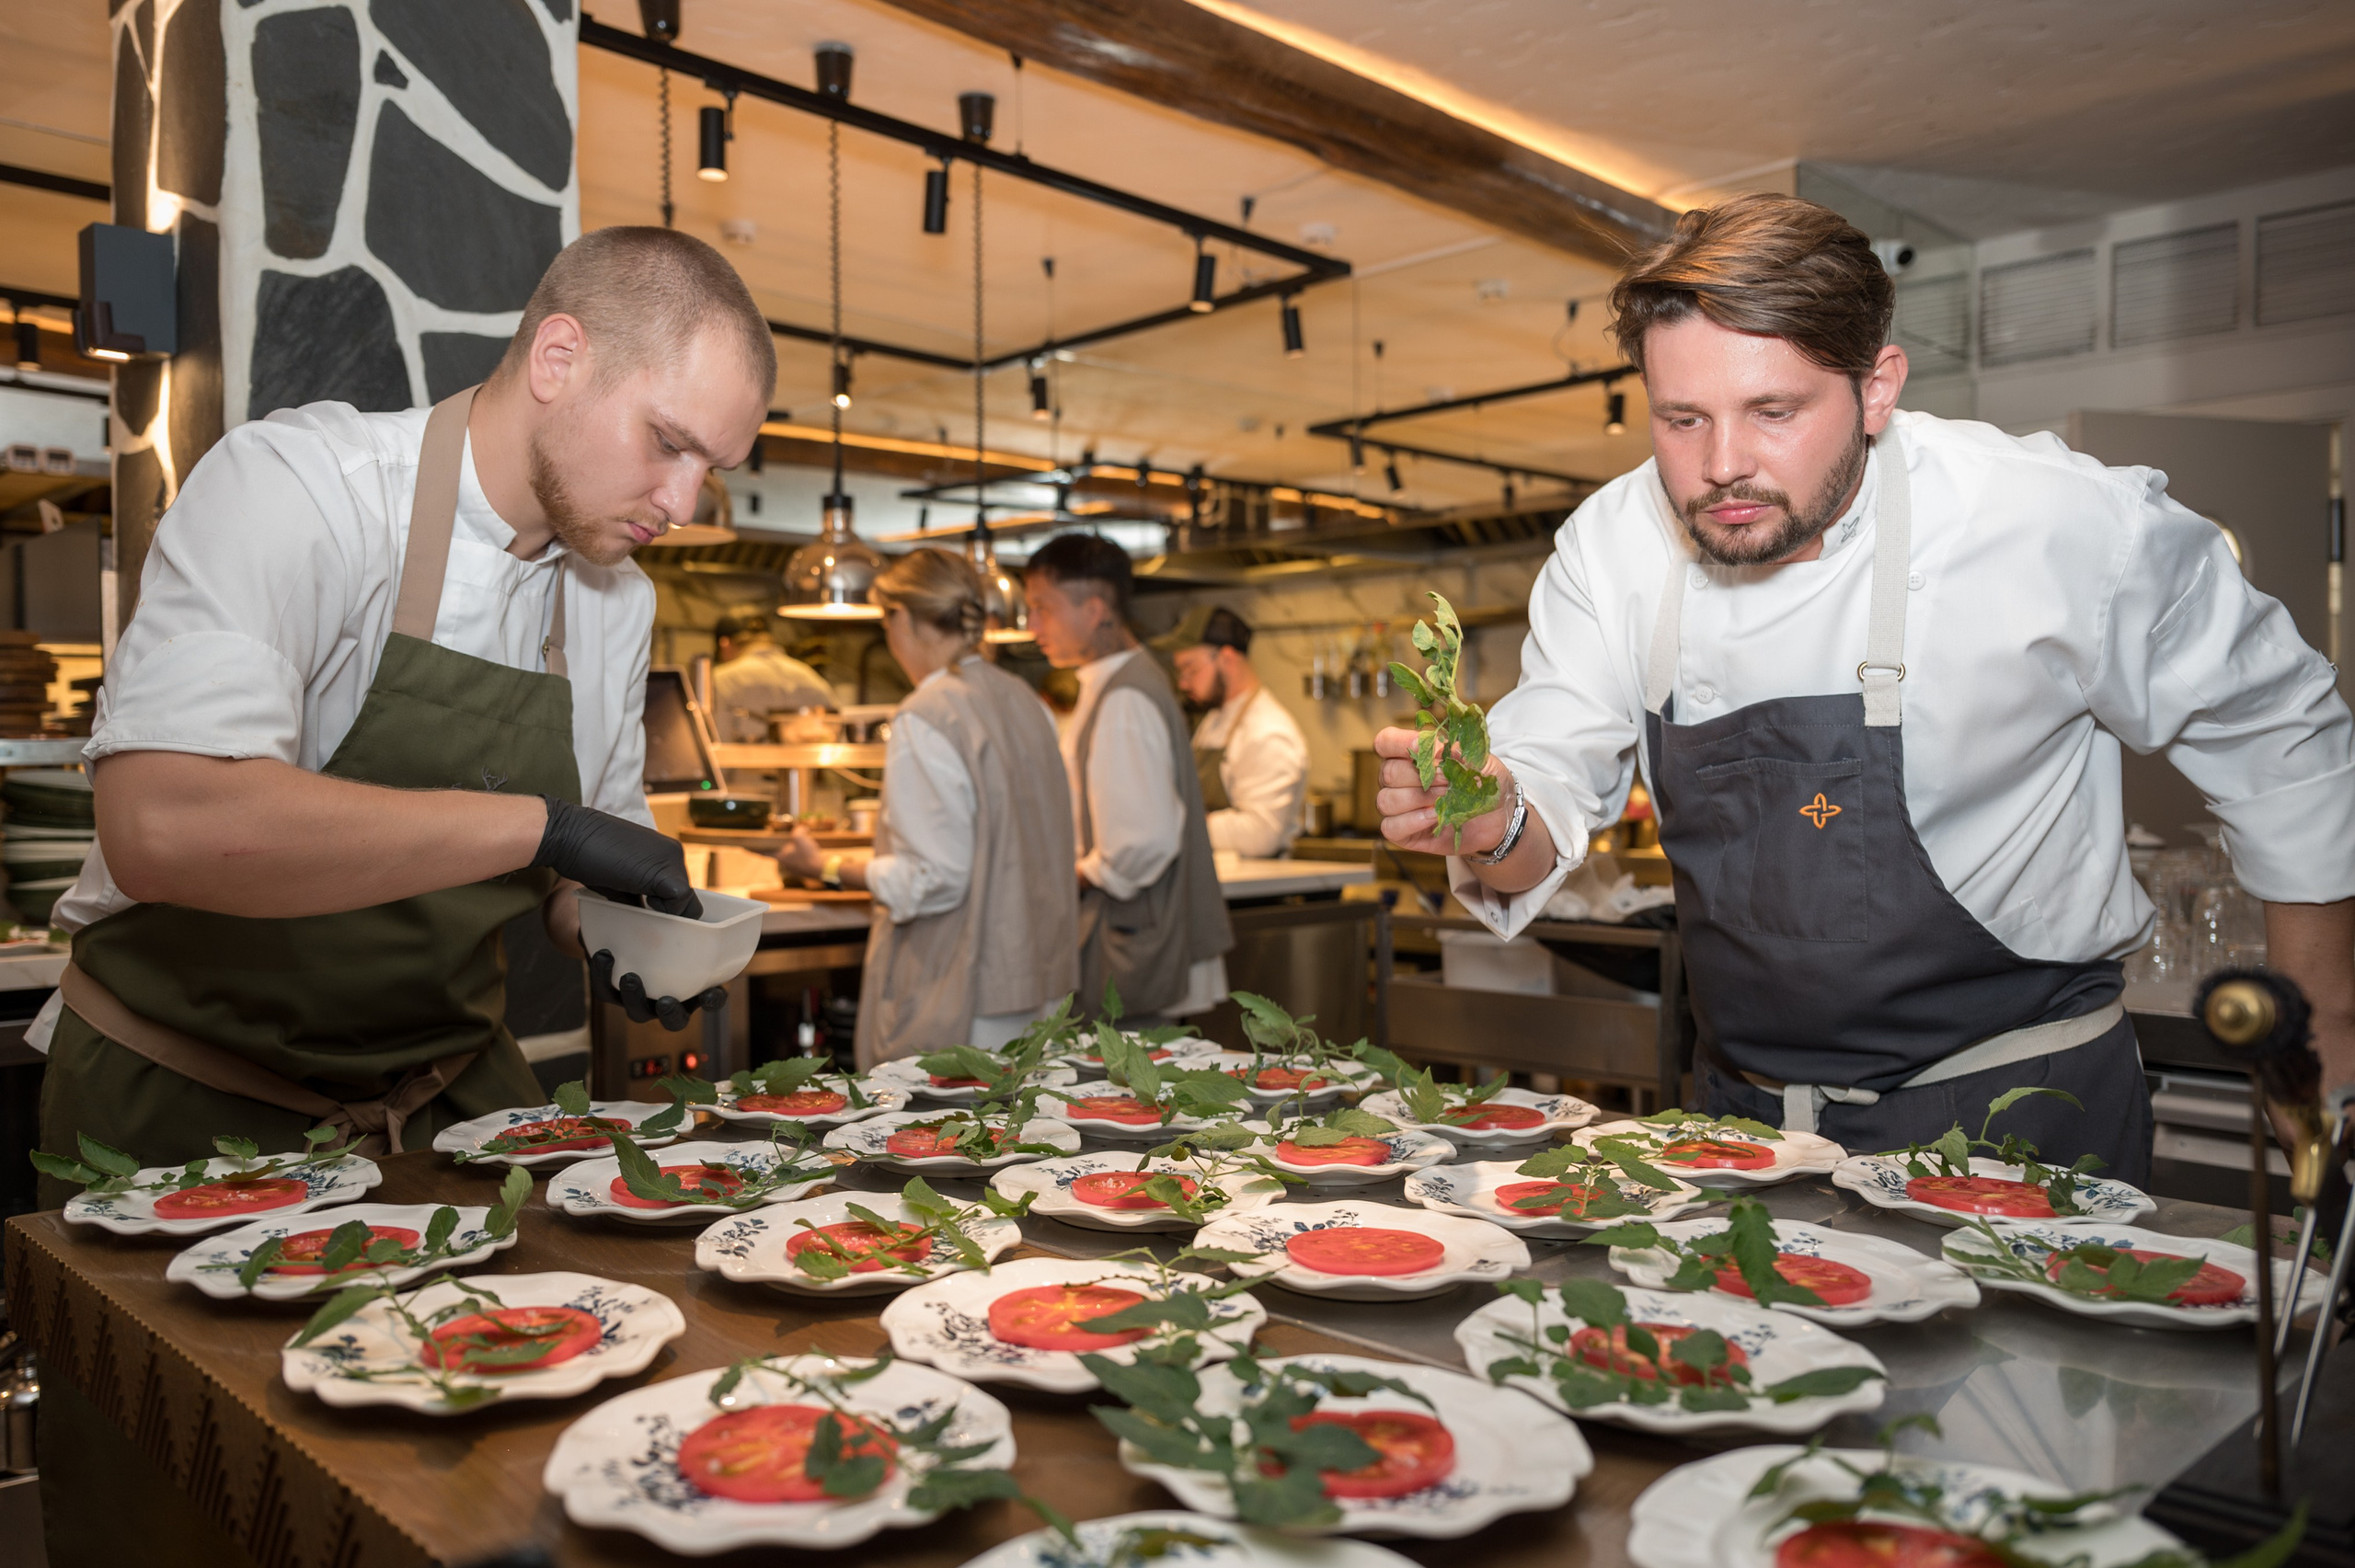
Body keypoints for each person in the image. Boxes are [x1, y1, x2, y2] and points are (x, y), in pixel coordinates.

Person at [1376, 193, 2355, 1183]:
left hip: (2017, 1115)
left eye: (1773, 411)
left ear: (1876, 386)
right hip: (1740, 1127)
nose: (1721, 467)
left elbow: (2283, 735)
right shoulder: (1612, 543)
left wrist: (2322, 1031)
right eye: (1680, 418)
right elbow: (1540, 796)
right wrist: (1488, 815)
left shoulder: (2050, 521)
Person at [33, 226, 775, 1198]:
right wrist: (540, 827)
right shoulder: (298, 490)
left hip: (444, 1108)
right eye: (669, 443)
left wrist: (633, 932)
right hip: (184, 1107)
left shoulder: (613, 600)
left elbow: (573, 875)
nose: (682, 501)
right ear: (559, 359)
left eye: (709, 469)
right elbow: (163, 824)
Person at [771, 549, 1077, 1067]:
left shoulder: (926, 715)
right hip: (1040, 985)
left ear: (901, 617)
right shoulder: (1024, 697)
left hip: (966, 994)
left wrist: (823, 866)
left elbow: (934, 877)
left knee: (945, 1142)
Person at [1024, 533, 1233, 1022]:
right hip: (1133, 934)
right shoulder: (1118, 684)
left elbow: (1141, 843)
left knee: (1122, 1091)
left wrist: (1068, 876)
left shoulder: (1124, 700)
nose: (1032, 624)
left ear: (1095, 608)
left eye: (1043, 608)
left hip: (1130, 938)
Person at [1166, 605, 1311, 858]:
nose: (1183, 683)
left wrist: (1173, 825)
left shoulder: (1268, 731)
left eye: (1190, 669)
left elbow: (1260, 834)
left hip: (1259, 889)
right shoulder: (1214, 719)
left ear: (1227, 659)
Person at [710, 608, 833, 742]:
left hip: (743, 762)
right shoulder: (812, 678)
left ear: (725, 644)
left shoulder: (719, 680)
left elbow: (714, 744)